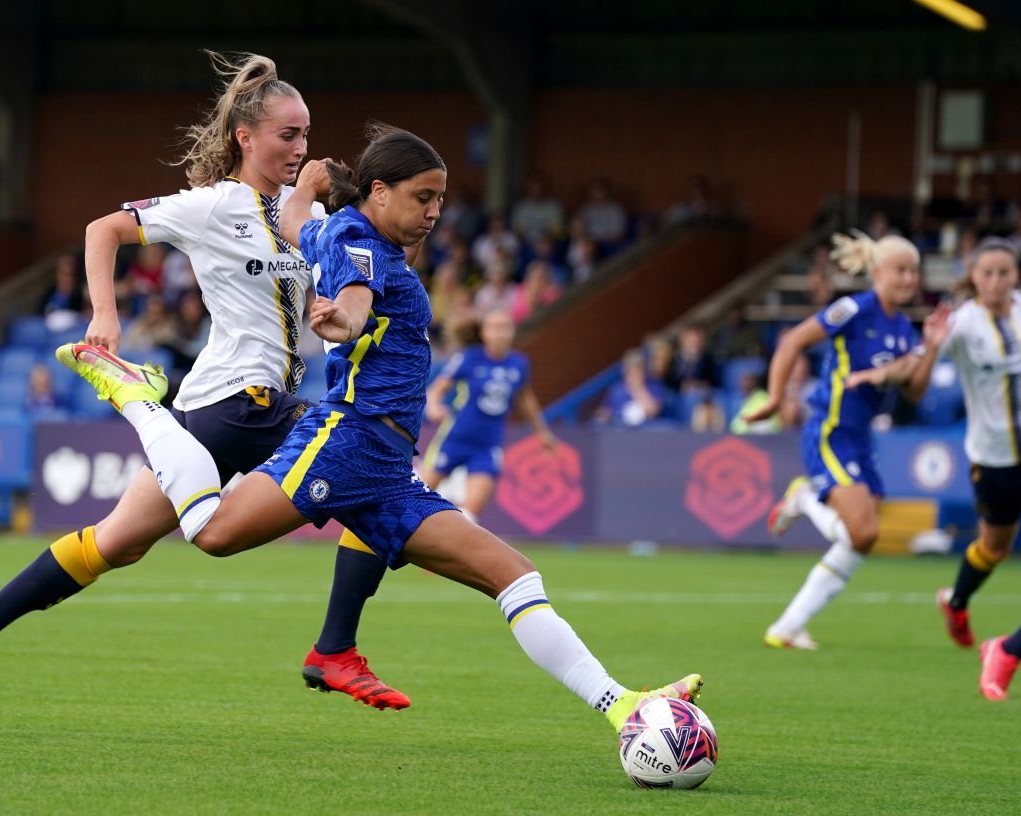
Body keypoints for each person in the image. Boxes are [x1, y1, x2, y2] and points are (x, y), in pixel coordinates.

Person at [51, 128, 701, 736]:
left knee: (515, 575)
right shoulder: (360, 245)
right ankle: (138, 401)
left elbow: (300, 228)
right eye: (422, 197)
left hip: (387, 463)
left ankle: (624, 707)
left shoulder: (342, 235)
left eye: (441, 199)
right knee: (213, 534)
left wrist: (306, 192)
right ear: (379, 193)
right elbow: (356, 299)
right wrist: (345, 321)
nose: (434, 212)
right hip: (349, 439)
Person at [0, 53, 410, 718]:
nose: (301, 147)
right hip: (242, 401)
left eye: (305, 134)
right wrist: (106, 313)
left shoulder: (307, 219)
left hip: (208, 412)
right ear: (246, 138)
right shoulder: (212, 206)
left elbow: (341, 290)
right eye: (287, 135)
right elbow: (103, 230)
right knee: (369, 473)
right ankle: (336, 648)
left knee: (115, 542)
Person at [750, 230, 949, 650]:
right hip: (831, 429)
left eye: (914, 271)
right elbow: (793, 341)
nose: (909, 278)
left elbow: (914, 391)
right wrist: (774, 396)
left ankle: (787, 627)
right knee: (862, 531)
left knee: (863, 536)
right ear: (877, 271)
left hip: (861, 439)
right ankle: (805, 498)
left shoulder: (903, 328)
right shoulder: (854, 309)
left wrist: (929, 349)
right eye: (900, 269)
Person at [889, 238, 1021, 653]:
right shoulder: (962, 322)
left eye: (1005, 273)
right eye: (988, 273)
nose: (997, 282)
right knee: (995, 548)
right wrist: (931, 346)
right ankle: (958, 602)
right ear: (974, 276)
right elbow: (914, 391)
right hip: (994, 457)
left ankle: (1006, 651)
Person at [418, 310, 556, 523]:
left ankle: (448, 548)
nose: (500, 333)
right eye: (494, 327)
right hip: (455, 438)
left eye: (505, 327)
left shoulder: (519, 363)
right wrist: (434, 407)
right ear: (483, 333)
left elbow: (525, 399)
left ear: (512, 332)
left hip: (488, 445)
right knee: (418, 497)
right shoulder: (469, 358)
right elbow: (438, 388)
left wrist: (543, 433)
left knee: (470, 513)